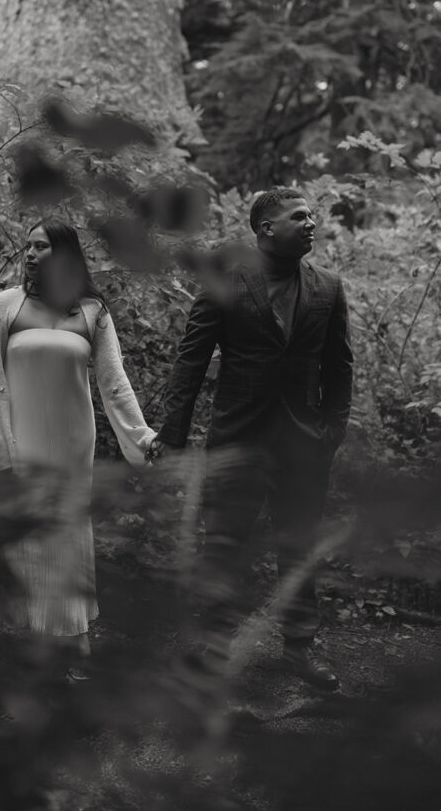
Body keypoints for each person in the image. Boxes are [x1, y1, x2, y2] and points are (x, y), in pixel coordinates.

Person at [148, 187, 353, 690]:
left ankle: (300, 649)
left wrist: (332, 429)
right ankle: (215, 650)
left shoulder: (328, 287)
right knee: (223, 547)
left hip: (304, 444)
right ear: (266, 228)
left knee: (299, 547)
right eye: (299, 216)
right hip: (238, 439)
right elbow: (191, 359)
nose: (311, 223)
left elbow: (339, 365)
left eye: (312, 216)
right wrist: (173, 434)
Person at [0, 219, 156, 677]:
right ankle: (28, 644)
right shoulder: (6, 305)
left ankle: (75, 642)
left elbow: (114, 384)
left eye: (42, 246)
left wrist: (144, 439)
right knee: (24, 534)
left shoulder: (92, 311)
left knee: (67, 535)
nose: (30, 254)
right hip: (20, 442)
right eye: (28, 246)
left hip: (73, 442)